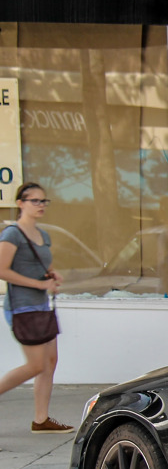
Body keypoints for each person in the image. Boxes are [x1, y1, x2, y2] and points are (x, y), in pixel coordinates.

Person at [0, 183, 73, 433]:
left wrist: (51, 274)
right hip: (22, 307)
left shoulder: (43, 235)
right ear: (20, 203)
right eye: (35, 201)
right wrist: (37, 284)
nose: (41, 205)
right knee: (35, 366)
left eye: (44, 201)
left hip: (41, 305)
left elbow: (34, 265)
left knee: (50, 361)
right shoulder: (12, 234)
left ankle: (41, 420)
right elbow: (2, 270)